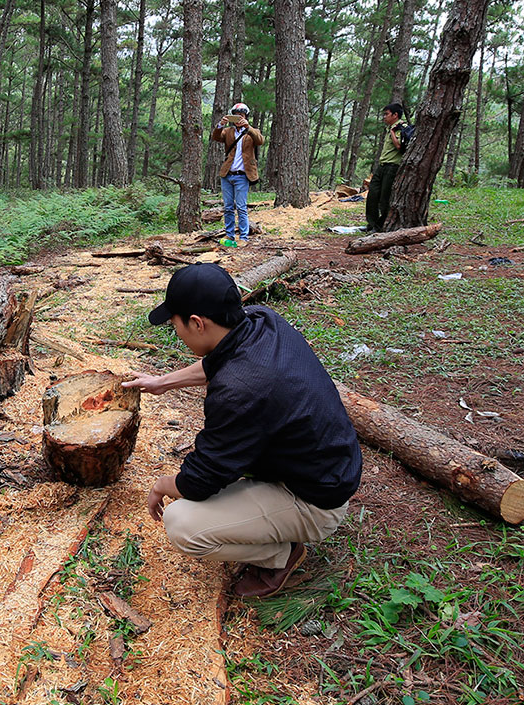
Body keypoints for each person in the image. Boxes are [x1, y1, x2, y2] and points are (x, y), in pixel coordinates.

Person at [122, 263, 362, 598]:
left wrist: (161, 485)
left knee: (181, 523)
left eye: (175, 325)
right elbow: (220, 361)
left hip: (316, 500)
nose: (176, 333)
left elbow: (200, 480)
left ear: (196, 323)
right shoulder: (260, 321)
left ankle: (281, 554)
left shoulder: (240, 390)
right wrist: (162, 382)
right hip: (325, 465)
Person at [210, 102, 265, 246]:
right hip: (228, 174)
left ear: (246, 116)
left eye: (241, 115)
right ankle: (230, 235)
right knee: (228, 207)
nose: (239, 118)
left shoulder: (252, 131)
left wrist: (248, 127)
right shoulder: (228, 131)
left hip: (243, 175)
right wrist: (220, 124)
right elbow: (216, 137)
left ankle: (244, 237)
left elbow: (260, 140)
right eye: (236, 116)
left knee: (241, 207)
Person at [366, 102, 409, 232]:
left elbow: (399, 147)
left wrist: (393, 131)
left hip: (392, 167)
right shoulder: (390, 128)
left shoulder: (401, 128)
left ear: (395, 115)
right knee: (372, 194)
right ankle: (372, 223)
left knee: (385, 198)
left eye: (386, 114)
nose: (384, 117)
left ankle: (381, 226)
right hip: (382, 165)